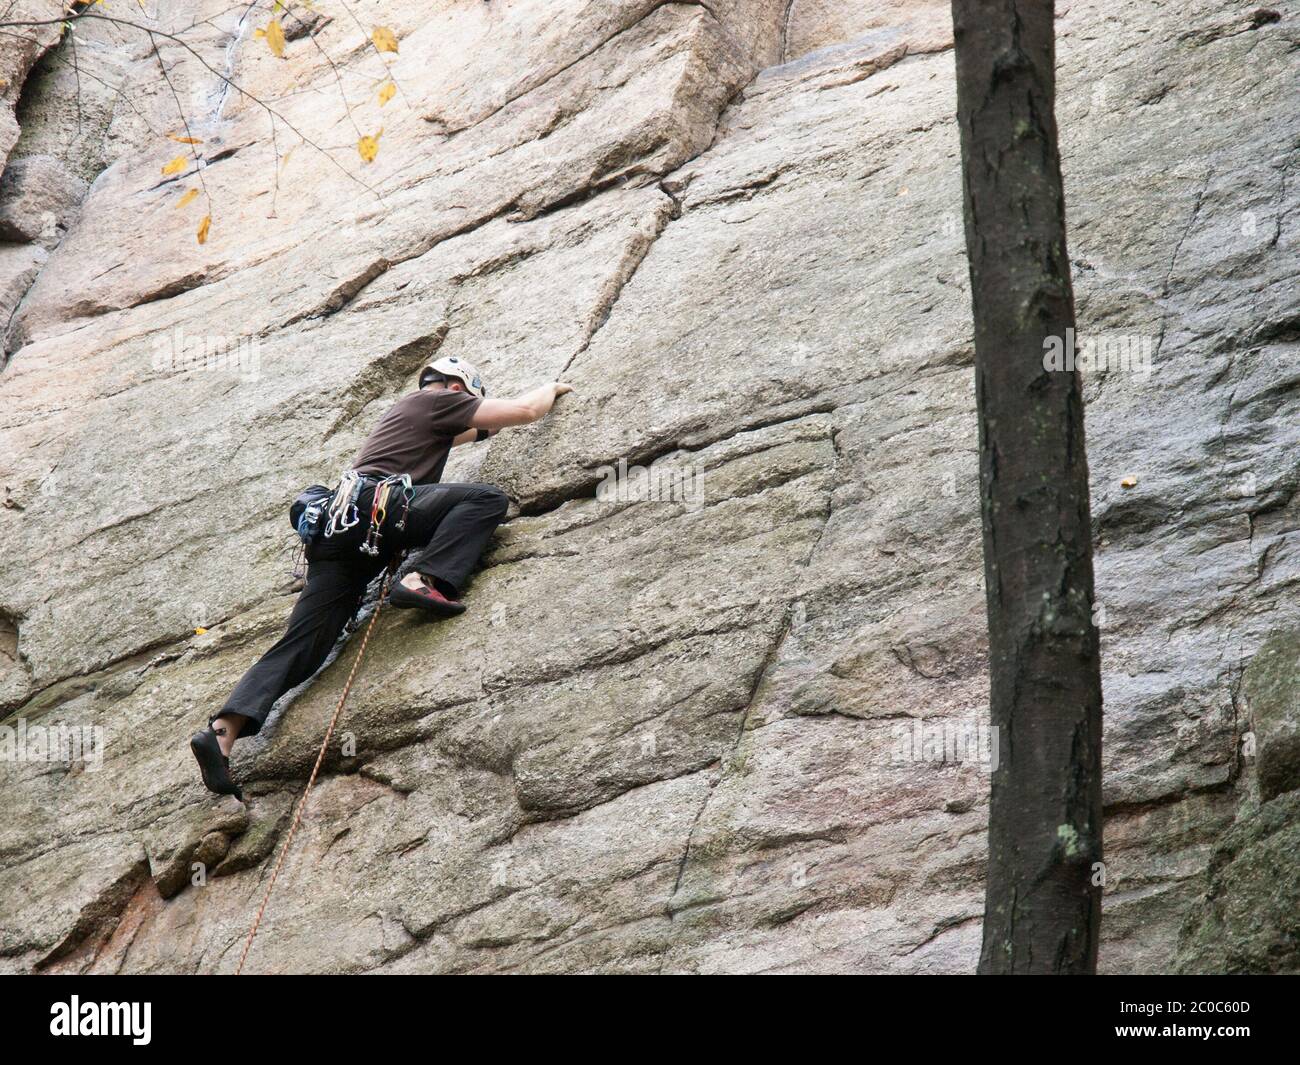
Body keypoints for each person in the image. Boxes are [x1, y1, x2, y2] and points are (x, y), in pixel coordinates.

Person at [190, 356, 573, 798]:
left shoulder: (412, 414)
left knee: (306, 641)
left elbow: (480, 429)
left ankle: (223, 732)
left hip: (339, 536)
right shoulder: (435, 400)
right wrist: (550, 387)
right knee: (486, 499)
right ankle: (423, 580)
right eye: (469, 398)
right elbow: (525, 412)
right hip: (383, 511)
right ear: (456, 388)